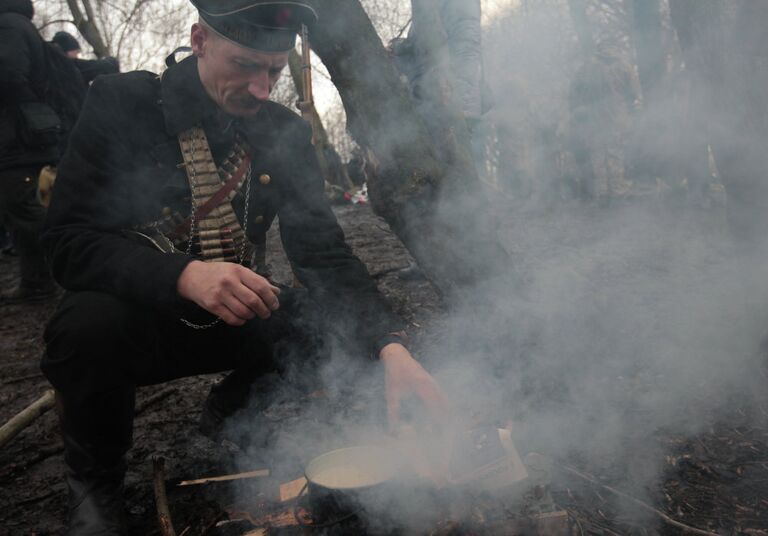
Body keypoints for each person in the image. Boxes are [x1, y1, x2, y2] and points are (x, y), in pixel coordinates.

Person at [40, 1, 448, 533]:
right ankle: (95, 486)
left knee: (324, 323)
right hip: (139, 320)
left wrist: (389, 345)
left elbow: (323, 254)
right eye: (245, 66)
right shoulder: (122, 104)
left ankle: (231, 413)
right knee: (83, 327)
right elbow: (68, 242)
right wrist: (183, 275)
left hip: (234, 317)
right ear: (200, 42)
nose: (262, 88)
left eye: (274, 72)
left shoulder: (284, 133)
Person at [0, 0, 85, 302]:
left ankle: (44, 281)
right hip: (28, 135)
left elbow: (10, 76)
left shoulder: (8, 25)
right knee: (24, 209)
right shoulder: (21, 25)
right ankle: (41, 279)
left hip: (19, 138)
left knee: (25, 210)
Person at [52, 30, 120, 84]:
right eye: (75, 52)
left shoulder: (53, 69)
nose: (77, 56)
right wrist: (111, 61)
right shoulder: (69, 67)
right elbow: (105, 66)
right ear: (67, 51)